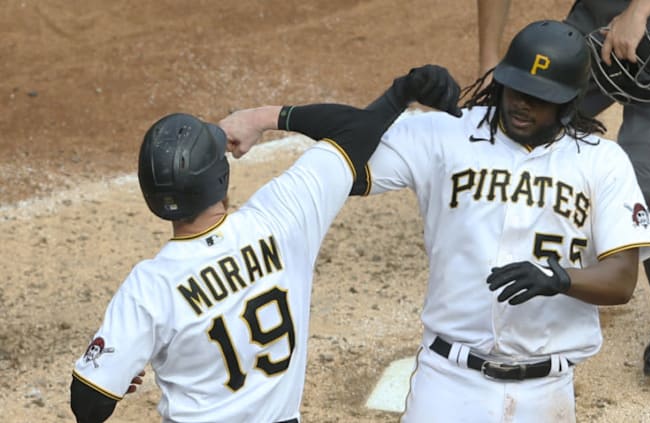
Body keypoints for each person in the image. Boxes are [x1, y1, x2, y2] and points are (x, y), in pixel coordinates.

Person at [68, 64, 462, 423]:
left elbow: (89, 405)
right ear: (219, 177)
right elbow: (354, 128)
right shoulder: (281, 217)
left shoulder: (149, 288)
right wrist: (399, 92)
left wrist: (122, 366)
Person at [365, 20, 650, 422]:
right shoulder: (450, 134)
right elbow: (348, 161)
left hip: (545, 392)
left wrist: (562, 280)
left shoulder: (601, 162)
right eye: (518, 90)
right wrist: (396, 96)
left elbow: (623, 280)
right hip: (447, 381)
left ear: (568, 101)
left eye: (541, 97)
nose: (524, 104)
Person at [476, 0, 650, 379]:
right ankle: (507, 246)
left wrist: (638, 13)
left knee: (648, 149)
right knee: (526, 105)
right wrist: (490, 59)